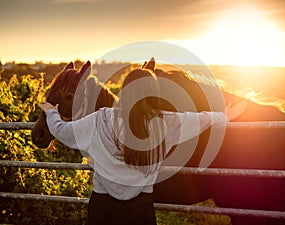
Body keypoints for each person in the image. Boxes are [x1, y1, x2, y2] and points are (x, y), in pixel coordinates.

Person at [41, 68, 246, 225]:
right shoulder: (165, 122)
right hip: (140, 209)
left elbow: (61, 131)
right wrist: (224, 116)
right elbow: (200, 120)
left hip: (103, 207)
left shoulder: (100, 119)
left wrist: (51, 111)